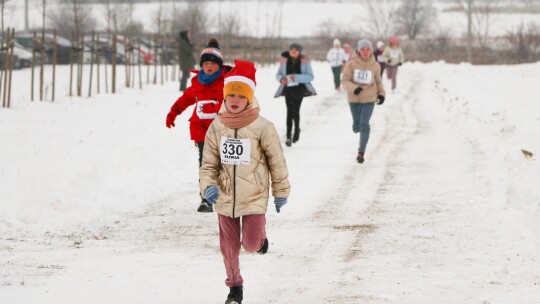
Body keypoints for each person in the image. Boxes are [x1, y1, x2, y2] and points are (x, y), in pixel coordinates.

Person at [199, 60, 290, 304]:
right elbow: (208, 163)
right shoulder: (216, 127)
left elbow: (277, 162)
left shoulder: (263, 127)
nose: (235, 100)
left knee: (250, 244)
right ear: (225, 98)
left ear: (249, 97)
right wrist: (208, 186)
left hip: (254, 196)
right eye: (231, 95)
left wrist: (281, 191)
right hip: (225, 197)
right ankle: (234, 288)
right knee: (229, 246)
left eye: (241, 95)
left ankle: (260, 240)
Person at [166, 38, 231, 212]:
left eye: (212, 63)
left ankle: (226, 193)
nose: (209, 66)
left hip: (223, 129)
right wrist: (173, 113)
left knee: (225, 163)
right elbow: (186, 99)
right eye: (206, 63)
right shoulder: (196, 83)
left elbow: (240, 99)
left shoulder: (227, 81)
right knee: (205, 163)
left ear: (219, 65)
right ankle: (206, 198)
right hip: (201, 129)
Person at [342, 39, 386, 164]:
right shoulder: (351, 64)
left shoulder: (375, 65)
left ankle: (361, 152)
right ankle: (355, 126)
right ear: (358, 50)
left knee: (365, 124)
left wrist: (381, 94)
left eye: (368, 49)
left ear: (371, 50)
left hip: (369, 98)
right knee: (357, 124)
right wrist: (354, 88)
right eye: (363, 49)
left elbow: (378, 82)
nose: (365, 52)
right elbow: (345, 80)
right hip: (354, 98)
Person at [274, 43, 317, 147]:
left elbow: (310, 76)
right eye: (291, 49)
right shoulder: (284, 61)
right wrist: (281, 79)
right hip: (288, 89)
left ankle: (296, 130)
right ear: (289, 51)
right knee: (289, 111)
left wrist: (296, 77)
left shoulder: (304, 61)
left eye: (296, 50)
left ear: (299, 52)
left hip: (300, 89)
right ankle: (288, 136)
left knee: (296, 110)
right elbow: (278, 74)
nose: (293, 51)